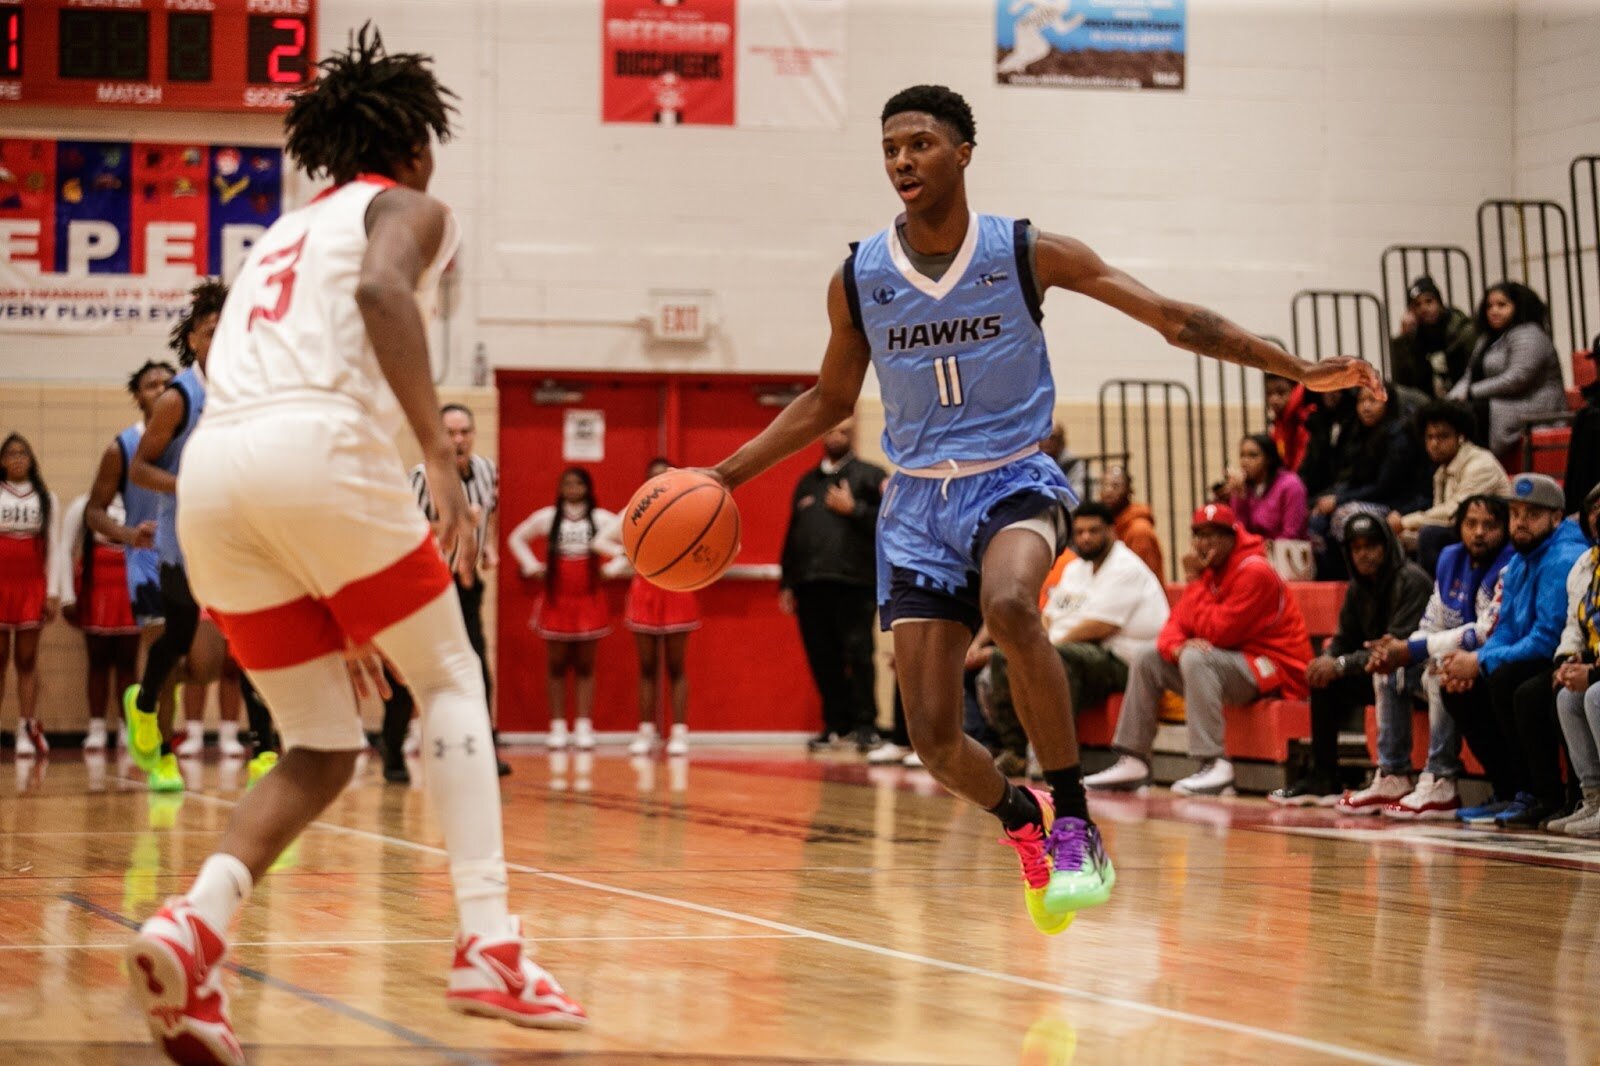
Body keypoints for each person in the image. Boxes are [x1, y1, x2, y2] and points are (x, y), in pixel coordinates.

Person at [702, 82, 1379, 934]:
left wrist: (1298, 368)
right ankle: (1021, 820)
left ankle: (1074, 821)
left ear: (963, 153)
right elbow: (829, 399)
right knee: (937, 744)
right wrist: (724, 475)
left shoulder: (1027, 252)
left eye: (919, 143)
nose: (903, 160)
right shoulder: (860, 276)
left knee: (1012, 603)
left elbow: (1175, 320)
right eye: (890, 148)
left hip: (1012, 476)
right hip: (915, 502)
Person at [126, 28, 587, 1064]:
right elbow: (384, 292)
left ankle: (194, 927)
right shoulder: (409, 206)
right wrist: (435, 445)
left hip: (217, 481)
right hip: (316, 450)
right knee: (454, 681)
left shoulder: (279, 236)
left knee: (322, 746)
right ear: (415, 145)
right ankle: (490, 942)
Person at [1085, 504, 1312, 797]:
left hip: (1275, 669)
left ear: (1232, 537)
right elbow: (1171, 629)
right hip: (1231, 665)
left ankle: (1214, 763)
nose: (1205, 544)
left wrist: (1193, 583)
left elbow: (1221, 632)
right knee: (1147, 657)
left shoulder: (1255, 572)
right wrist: (1177, 648)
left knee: (1197, 657)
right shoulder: (1211, 572)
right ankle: (1134, 758)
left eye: (1214, 535)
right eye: (1200, 536)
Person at [124, 279, 228, 792]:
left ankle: (268, 748)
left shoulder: (251, 389)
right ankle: (143, 708)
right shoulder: (177, 399)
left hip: (235, 536)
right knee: (180, 639)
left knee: (241, 643)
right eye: (211, 331)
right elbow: (141, 470)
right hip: (182, 539)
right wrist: (191, 482)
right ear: (192, 338)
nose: (222, 338)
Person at [1438, 474, 1587, 828]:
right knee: (1462, 689)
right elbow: (1505, 626)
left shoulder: (1563, 556)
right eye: (1515, 513)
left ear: (1556, 517)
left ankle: (1543, 794)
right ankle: (1509, 790)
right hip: (1529, 654)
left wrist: (1480, 660)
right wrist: (1477, 664)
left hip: (1558, 656)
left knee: (1512, 685)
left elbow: (1546, 639)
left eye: (1532, 514)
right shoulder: (1521, 557)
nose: (1520, 522)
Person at [984, 503, 1169, 776]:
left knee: (1062, 658)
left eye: (1093, 531)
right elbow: (1047, 615)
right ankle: (1016, 751)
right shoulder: (1075, 569)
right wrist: (1036, 645)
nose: (1085, 537)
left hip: (1123, 660)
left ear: (1111, 531)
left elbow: (1100, 627)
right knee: (1003, 656)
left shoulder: (1127, 567)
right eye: (1080, 531)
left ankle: (1062, 760)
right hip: (1082, 652)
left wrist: (1048, 648)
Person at [1364, 495, 1514, 819]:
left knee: (1438, 668)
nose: (1478, 533)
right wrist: (1399, 651)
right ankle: (1393, 774)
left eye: (1489, 525)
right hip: (1448, 655)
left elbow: (1483, 633)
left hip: (1486, 664)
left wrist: (1413, 649)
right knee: (1388, 671)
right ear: (1458, 527)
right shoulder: (1450, 558)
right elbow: (1432, 622)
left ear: (1506, 529)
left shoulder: (1509, 562)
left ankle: (1441, 778)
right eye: (1471, 524)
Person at [381, 402, 509, 782]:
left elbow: (492, 512)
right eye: (450, 433)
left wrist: (486, 544)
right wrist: (452, 524)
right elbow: (404, 533)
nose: (459, 440)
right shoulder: (420, 478)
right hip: (420, 589)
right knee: (407, 673)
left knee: (477, 670)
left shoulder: (487, 471)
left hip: (465, 584)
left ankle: (483, 751)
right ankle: (393, 752)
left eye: (465, 432)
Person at [1270, 513, 1431, 806]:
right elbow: (1345, 638)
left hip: (1412, 676)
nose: (1363, 554)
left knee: (1381, 670)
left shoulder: (1412, 581)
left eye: (1371, 545)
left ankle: (1396, 773)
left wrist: (1341, 664)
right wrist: (1329, 659)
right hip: (1376, 671)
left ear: (1387, 546)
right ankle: (1324, 778)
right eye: (1356, 548)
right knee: (1323, 678)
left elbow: (1394, 650)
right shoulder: (1358, 587)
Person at [778, 418, 886, 752]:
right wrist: (787, 582)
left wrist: (855, 510)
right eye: (830, 428)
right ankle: (835, 724)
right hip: (811, 584)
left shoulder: (871, 475)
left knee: (859, 653)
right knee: (822, 657)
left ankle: (866, 725)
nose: (836, 434)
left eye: (843, 430)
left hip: (855, 582)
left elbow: (892, 522)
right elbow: (792, 534)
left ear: (853, 434)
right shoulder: (807, 482)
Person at [85, 359, 177, 751]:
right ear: (138, 396)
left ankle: (143, 698)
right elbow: (94, 510)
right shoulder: (121, 447)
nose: (159, 388)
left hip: (192, 557)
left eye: (167, 383)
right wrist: (126, 534)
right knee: (163, 652)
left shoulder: (195, 439)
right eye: (150, 384)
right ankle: (163, 753)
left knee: (205, 664)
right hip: (147, 561)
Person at [508, 467, 618, 751]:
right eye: (566, 483)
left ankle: (583, 726)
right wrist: (532, 566)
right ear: (560, 488)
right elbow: (516, 538)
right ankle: (557, 726)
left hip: (588, 597)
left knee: (585, 665)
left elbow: (630, 542)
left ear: (587, 487)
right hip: (557, 598)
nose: (572, 488)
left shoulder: (602, 519)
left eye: (578, 483)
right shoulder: (546, 517)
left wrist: (614, 568)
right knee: (556, 665)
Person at [1306, 384, 1431, 579]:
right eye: (1361, 401)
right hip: (1371, 499)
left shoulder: (1399, 437)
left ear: (1387, 403)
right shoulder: (1361, 435)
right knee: (1317, 518)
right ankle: (1335, 580)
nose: (1366, 407)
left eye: (1373, 400)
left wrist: (1339, 501)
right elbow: (1354, 480)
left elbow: (1383, 488)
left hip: (1399, 504)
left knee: (1344, 516)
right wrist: (1326, 499)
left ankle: (1362, 578)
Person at [623, 458, 701, 758]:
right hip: (644, 592)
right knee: (646, 667)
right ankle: (645, 731)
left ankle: (680, 732)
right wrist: (624, 558)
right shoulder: (634, 514)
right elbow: (603, 539)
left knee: (676, 666)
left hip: (678, 590)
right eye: (652, 478)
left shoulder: (693, 511)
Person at [1447, 281, 1567, 467]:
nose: (1494, 311)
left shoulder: (1530, 334)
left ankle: (1478, 466)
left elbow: (1517, 379)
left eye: (1502, 305)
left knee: (1475, 411)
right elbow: (1470, 374)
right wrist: (1451, 398)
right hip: (1502, 401)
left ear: (1518, 307)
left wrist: (1471, 392)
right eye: (1489, 306)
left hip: (1532, 403)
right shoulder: (1487, 338)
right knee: (1447, 412)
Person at [56, 494, 141, 753]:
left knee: (128, 662)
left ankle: (128, 728)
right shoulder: (85, 504)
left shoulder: (139, 501)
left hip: (131, 589)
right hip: (96, 589)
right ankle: (97, 728)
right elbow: (65, 548)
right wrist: (67, 595)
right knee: (98, 661)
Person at [1391, 400, 1509, 574]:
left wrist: (1404, 522)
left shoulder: (1480, 464)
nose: (1434, 444)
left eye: (1443, 436)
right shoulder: (1442, 471)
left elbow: (1454, 514)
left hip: (1493, 535)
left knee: (1430, 536)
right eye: (1429, 437)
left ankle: (1435, 594)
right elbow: (1439, 518)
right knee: (1395, 541)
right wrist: (1406, 535)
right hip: (1463, 532)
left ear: (1460, 437)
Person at [0, 433, 60, 757]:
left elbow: (54, 547)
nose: (17, 458)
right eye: (11, 453)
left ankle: (26, 726)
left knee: (26, 660)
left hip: (30, 586)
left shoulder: (45, 498)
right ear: (2, 460)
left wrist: (52, 594)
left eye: (23, 452)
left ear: (31, 458)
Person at [1548, 484, 1600, 836]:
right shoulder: (1586, 563)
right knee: (1568, 696)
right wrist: (1569, 660)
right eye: (1594, 509)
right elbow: (1575, 624)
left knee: (1596, 694)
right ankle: (1593, 797)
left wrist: (1594, 673)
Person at [1388, 276, 1478, 398]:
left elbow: (1475, 370)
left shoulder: (1462, 330)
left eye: (1429, 301)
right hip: (1428, 404)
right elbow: (1401, 381)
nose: (1424, 308)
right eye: (1417, 305)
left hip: (1464, 396)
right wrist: (1403, 338)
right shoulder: (1414, 337)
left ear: (1440, 303)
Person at [1223, 432, 1308, 542]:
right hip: (1253, 552)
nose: (1245, 462)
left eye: (1252, 456)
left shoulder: (1291, 485)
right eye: (1242, 455)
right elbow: (1240, 533)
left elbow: (1291, 534)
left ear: (1268, 459)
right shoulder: (1243, 487)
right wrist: (1240, 496)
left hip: (1283, 552)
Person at [1098, 466, 1164, 578]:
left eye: (1115, 486)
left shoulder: (1140, 531)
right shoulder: (1107, 526)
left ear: (1129, 491)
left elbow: (1142, 578)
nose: (1108, 491)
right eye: (1105, 485)